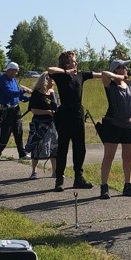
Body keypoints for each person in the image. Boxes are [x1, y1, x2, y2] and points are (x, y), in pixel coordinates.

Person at [97, 58, 131, 199]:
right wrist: (118, 77)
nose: (126, 69)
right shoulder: (110, 84)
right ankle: (104, 187)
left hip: (128, 125)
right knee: (109, 156)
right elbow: (104, 74)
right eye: (123, 67)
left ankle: (128, 185)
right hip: (112, 124)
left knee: (127, 157)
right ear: (116, 70)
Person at [46, 51, 100, 192]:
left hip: (78, 114)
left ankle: (78, 178)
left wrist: (115, 75)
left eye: (75, 61)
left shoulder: (80, 75)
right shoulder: (60, 76)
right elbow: (50, 70)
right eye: (73, 61)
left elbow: (98, 75)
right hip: (65, 114)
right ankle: (59, 179)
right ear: (66, 63)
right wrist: (66, 71)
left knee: (80, 147)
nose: (76, 63)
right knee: (63, 147)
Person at [0, 62, 31, 159]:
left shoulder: (14, 80)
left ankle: (22, 153)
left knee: (18, 131)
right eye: (15, 71)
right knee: (5, 133)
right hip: (7, 110)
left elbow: (19, 96)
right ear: (10, 70)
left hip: (16, 109)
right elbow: (10, 93)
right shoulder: (3, 79)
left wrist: (30, 98)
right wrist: (24, 91)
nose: (16, 73)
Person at [24, 72, 59, 179]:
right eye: (51, 79)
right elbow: (33, 109)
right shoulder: (37, 93)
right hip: (40, 124)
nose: (53, 81)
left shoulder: (53, 92)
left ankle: (55, 171)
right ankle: (34, 171)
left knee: (54, 147)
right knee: (37, 146)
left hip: (53, 124)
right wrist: (47, 112)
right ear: (46, 81)